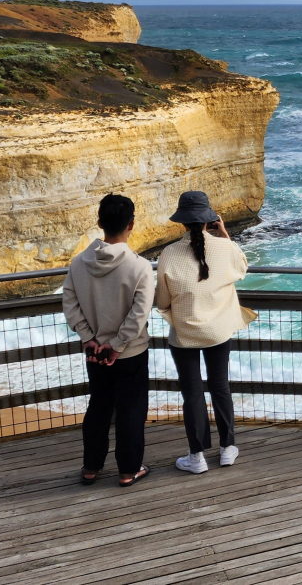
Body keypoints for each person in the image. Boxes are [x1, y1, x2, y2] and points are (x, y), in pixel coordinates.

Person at [62, 193, 155, 487]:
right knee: (131, 409)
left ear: (100, 223)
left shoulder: (78, 263)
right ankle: (129, 470)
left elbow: (70, 301)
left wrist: (88, 337)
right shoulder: (139, 267)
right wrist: (117, 345)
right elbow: (139, 314)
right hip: (129, 353)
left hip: (94, 352)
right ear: (132, 225)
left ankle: (91, 467)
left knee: (99, 406)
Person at [156, 190, 251, 474]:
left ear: (182, 222)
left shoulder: (168, 254)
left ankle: (196, 457)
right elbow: (242, 267)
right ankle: (227, 449)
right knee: (220, 387)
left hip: (185, 334)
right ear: (210, 219)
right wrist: (224, 233)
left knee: (193, 393)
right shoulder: (224, 249)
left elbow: (161, 301)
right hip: (218, 331)